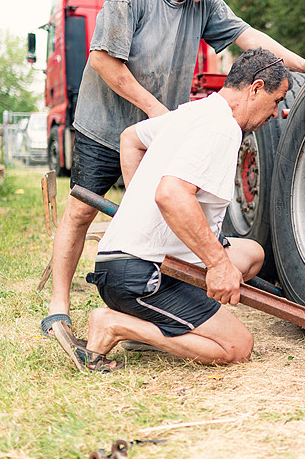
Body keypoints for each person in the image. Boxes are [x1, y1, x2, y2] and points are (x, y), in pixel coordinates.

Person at [41, 0, 305, 338]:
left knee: (164, 212)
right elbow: (104, 62)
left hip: (156, 132)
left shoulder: (203, 3)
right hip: (105, 121)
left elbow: (248, 37)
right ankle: (58, 308)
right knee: (82, 210)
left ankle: (156, 304)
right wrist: (158, 112)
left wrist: (299, 64)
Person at [53, 48, 292, 372]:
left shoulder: (194, 112)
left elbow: (131, 138)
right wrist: (217, 265)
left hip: (123, 262)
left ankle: (161, 317)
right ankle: (115, 325)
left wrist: (140, 215)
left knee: (251, 254)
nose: (276, 112)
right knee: (237, 346)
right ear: (256, 88)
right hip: (138, 275)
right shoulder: (223, 128)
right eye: (277, 100)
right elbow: (171, 195)